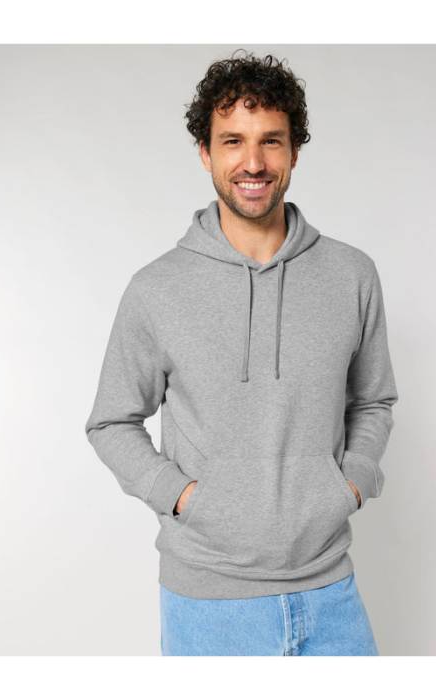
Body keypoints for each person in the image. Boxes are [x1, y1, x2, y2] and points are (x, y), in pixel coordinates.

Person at [84, 50, 399, 656]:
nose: (253, 163)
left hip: (331, 591)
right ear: (206, 153)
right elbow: (110, 422)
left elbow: (374, 399)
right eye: (233, 141)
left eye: (270, 141)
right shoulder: (158, 289)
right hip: (207, 605)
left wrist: (353, 482)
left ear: (294, 152)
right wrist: (183, 499)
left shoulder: (352, 275)